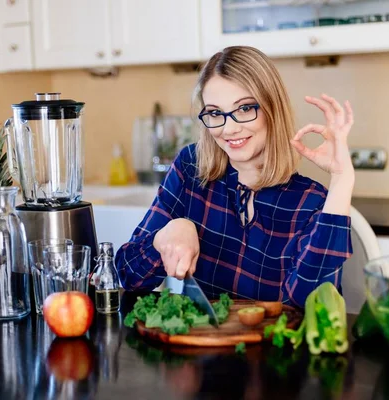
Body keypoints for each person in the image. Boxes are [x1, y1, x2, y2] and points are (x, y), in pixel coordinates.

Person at [115, 46, 354, 307]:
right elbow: (128, 276)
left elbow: (314, 309)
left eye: (244, 109)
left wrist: (342, 179)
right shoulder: (190, 168)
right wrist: (165, 236)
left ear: (272, 109)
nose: (229, 128)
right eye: (215, 113)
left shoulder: (311, 202)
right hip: (200, 343)